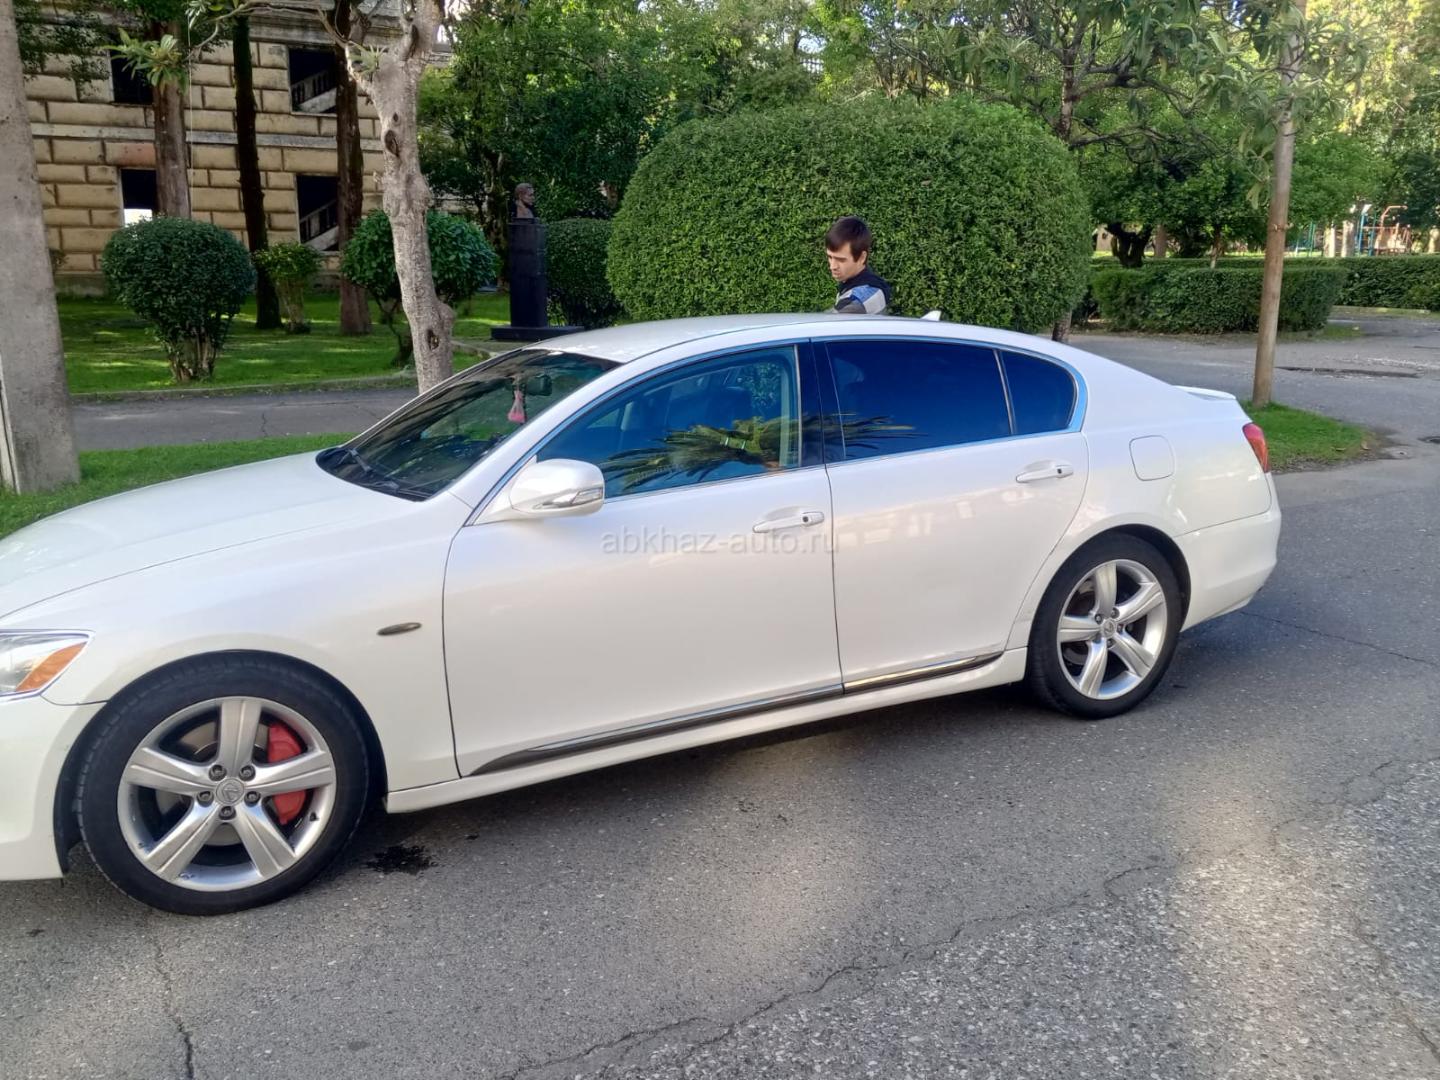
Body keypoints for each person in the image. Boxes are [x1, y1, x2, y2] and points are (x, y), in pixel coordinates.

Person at [826, 216, 891, 315]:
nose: (832, 266)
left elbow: (828, 322)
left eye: (841, 260)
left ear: (862, 257)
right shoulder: (867, 283)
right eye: (830, 257)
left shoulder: (857, 301)